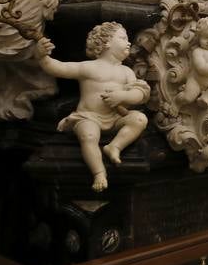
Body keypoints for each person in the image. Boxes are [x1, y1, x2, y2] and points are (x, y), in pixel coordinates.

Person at [36, 24, 151, 191]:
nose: (128, 43)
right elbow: (57, 68)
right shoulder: (89, 67)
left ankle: (115, 146)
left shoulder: (126, 71)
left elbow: (140, 94)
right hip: (89, 117)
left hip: (116, 117)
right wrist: (41, 57)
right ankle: (99, 172)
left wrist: (122, 96)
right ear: (106, 43)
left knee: (140, 119)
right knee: (89, 135)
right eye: (123, 38)